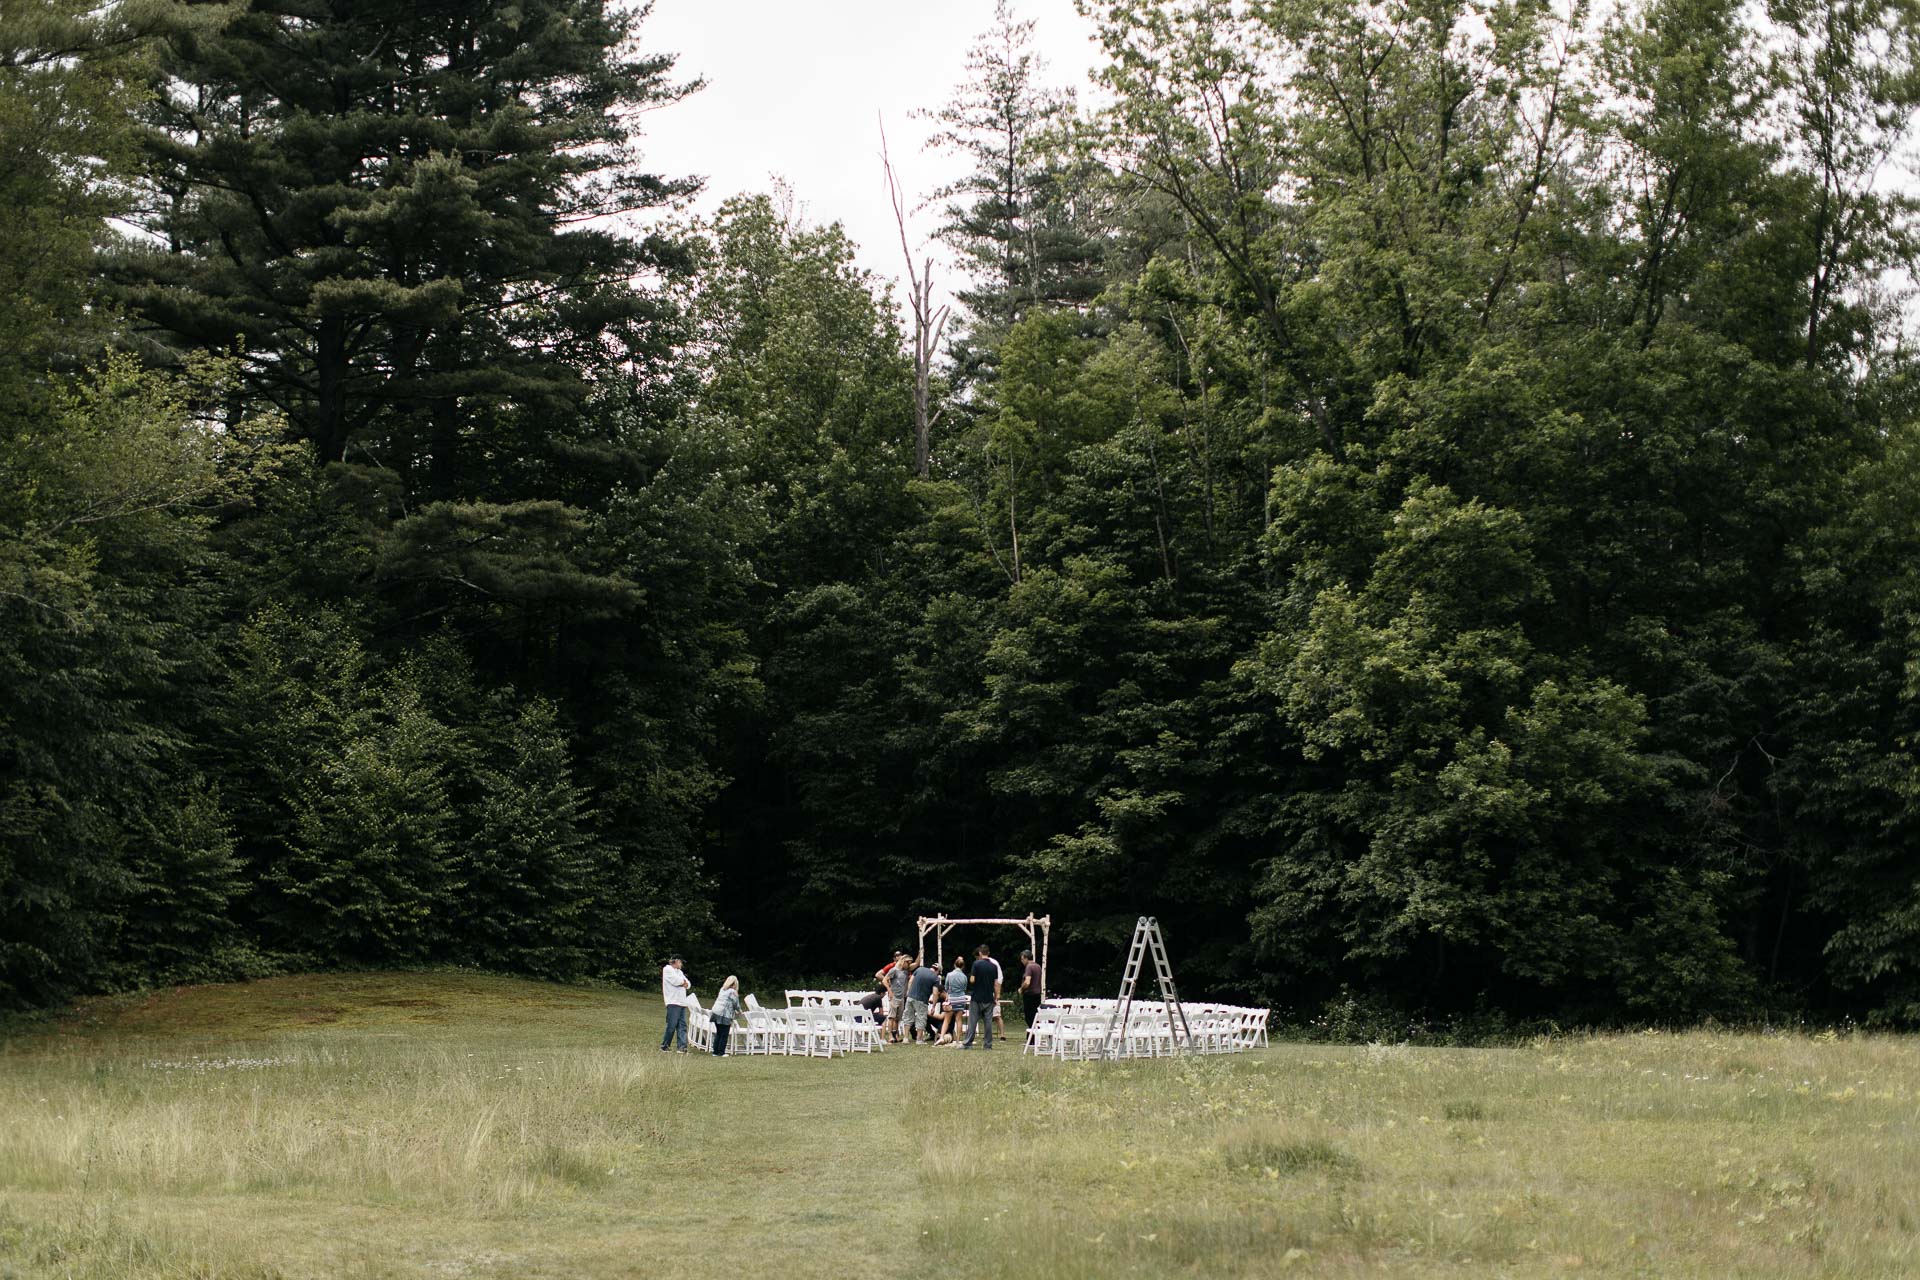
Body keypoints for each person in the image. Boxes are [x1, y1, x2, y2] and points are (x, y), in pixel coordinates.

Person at [961, 943, 1001, 1050]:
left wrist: (973, 978)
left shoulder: (976, 964)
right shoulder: (994, 966)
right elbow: (996, 983)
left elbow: (972, 980)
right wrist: (996, 997)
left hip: (977, 997)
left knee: (972, 1021)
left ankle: (968, 1043)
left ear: (979, 953)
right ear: (988, 953)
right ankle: (988, 1045)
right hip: (989, 997)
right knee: (988, 1022)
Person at [660, 955, 691, 1052]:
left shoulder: (679, 972)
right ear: (676, 961)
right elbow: (676, 981)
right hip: (672, 1001)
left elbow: (688, 984)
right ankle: (665, 1045)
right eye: (680, 962)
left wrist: (684, 983)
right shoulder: (667, 969)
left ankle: (682, 1047)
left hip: (682, 1002)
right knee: (672, 1025)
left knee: (682, 1025)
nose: (681, 964)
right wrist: (683, 982)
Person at [905, 954, 939, 1044]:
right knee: (921, 1018)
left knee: (908, 1017)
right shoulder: (935, 978)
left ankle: (905, 1038)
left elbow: (911, 980)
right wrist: (933, 1007)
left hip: (910, 997)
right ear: (937, 970)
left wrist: (908, 991)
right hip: (922, 1000)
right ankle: (919, 1039)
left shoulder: (919, 969)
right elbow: (935, 993)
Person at [708, 975, 742, 1057]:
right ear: (734, 984)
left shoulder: (722, 990)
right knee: (724, 1034)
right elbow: (735, 1003)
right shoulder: (732, 992)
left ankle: (715, 1051)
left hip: (716, 1012)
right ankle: (721, 1052)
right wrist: (739, 1010)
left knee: (719, 1032)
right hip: (724, 1014)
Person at [938, 956, 969, 1045]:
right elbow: (964, 988)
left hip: (952, 999)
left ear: (954, 965)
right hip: (961, 999)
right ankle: (958, 1040)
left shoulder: (949, 975)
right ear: (962, 966)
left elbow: (946, 988)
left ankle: (941, 1037)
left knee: (946, 1020)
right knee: (959, 1020)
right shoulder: (964, 976)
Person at [883, 950, 911, 1044]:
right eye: (908, 962)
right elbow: (884, 980)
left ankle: (896, 1035)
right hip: (894, 996)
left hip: (901, 997)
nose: (909, 964)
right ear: (904, 962)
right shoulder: (894, 970)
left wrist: (906, 991)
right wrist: (890, 991)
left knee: (897, 1018)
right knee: (891, 1017)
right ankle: (890, 1035)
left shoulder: (905, 972)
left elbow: (906, 982)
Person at [1019, 949, 1043, 1030]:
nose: (1022, 961)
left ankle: (1032, 1038)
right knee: (1035, 1017)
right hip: (1037, 994)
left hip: (1029, 995)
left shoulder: (1029, 967)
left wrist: (1021, 989)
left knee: (1029, 1017)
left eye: (1022, 959)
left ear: (1026, 958)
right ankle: (1032, 1037)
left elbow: (1027, 982)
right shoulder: (1038, 966)